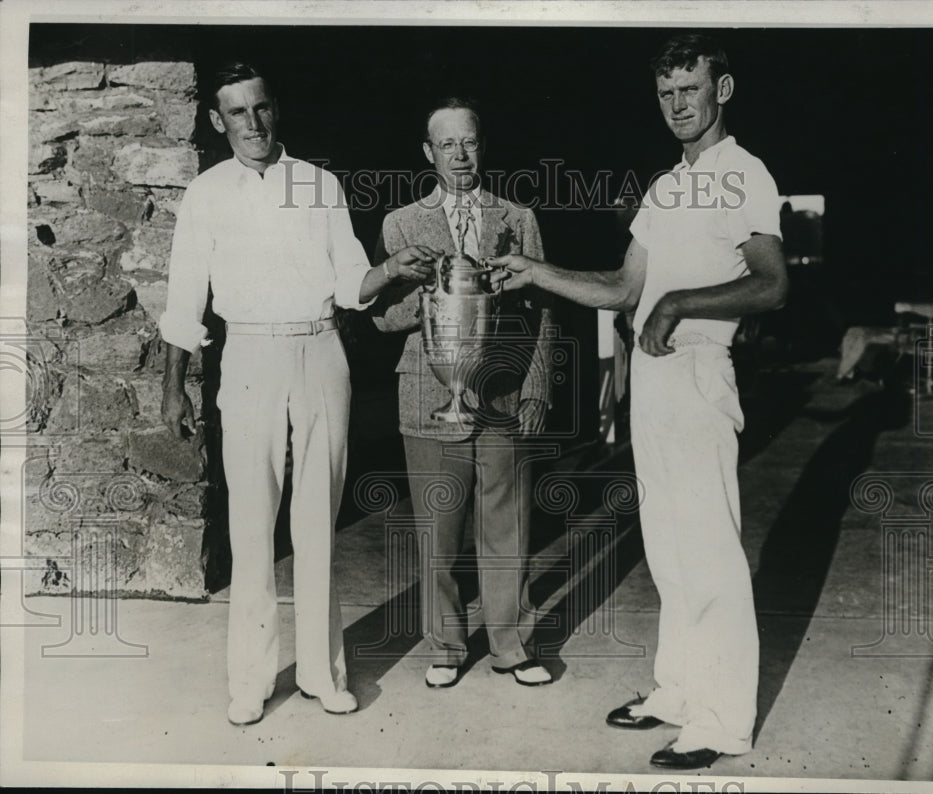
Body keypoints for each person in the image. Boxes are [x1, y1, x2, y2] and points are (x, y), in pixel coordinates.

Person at [489, 34, 787, 769]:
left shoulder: (745, 174)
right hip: (652, 384)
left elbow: (773, 284)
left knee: (710, 553)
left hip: (697, 372)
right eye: (666, 93)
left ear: (722, 90)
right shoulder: (663, 187)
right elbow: (622, 290)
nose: (677, 105)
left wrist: (679, 302)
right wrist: (534, 269)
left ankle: (720, 721)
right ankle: (677, 692)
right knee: (668, 550)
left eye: (690, 89)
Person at [158, 62, 436, 726]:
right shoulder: (204, 194)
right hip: (249, 357)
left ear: (273, 110)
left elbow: (348, 285)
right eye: (237, 113)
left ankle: (322, 673)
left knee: (316, 525)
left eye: (260, 109)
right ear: (216, 121)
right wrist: (172, 389)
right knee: (252, 530)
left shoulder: (320, 185)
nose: (252, 125)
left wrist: (391, 269)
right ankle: (251, 682)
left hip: (320, 355)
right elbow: (183, 301)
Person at [371, 98, 553, 688]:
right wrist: (419, 285)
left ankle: (511, 646)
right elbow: (381, 319)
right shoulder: (400, 224)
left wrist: (538, 384)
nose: (459, 154)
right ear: (428, 154)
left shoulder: (518, 217)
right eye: (446, 145)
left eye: (468, 142)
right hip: (429, 391)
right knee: (439, 526)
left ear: (482, 145)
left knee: (507, 523)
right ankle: (447, 646)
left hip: (503, 389)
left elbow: (542, 309)